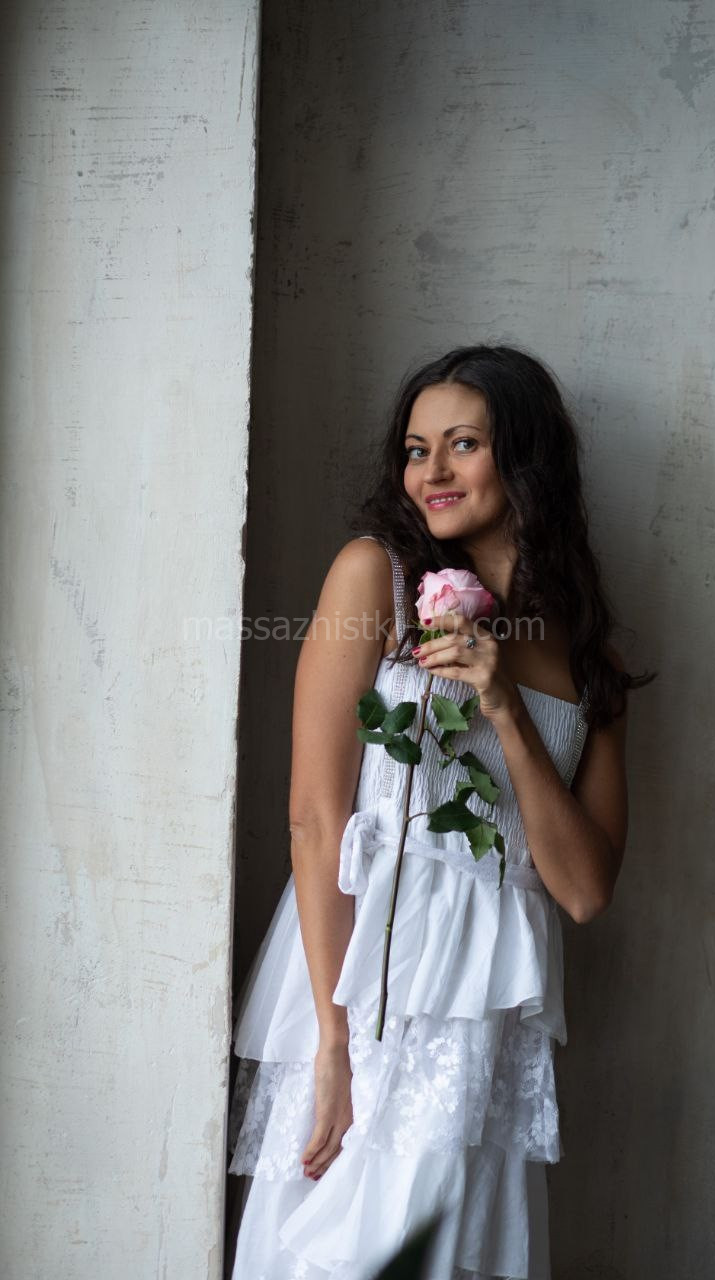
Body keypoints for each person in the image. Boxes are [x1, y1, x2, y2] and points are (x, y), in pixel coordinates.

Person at [226, 343, 651, 1279]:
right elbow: (314, 819)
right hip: (366, 983)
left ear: (525, 458)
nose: (432, 472)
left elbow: (583, 892)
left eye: (463, 444)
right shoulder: (373, 579)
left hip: (483, 1014)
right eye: (416, 449)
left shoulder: (590, 660)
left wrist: (504, 707)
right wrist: (334, 1045)